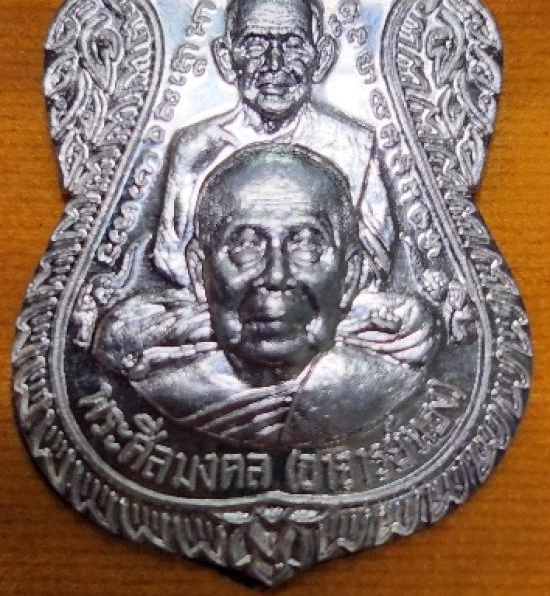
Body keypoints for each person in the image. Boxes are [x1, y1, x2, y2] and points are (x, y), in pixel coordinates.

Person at [93, 145, 435, 448]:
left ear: (349, 277)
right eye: (246, 245)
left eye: (306, 244)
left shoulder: (382, 388)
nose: (276, 275)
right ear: (200, 272)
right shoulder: (165, 391)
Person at [154, 0, 394, 292]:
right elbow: (171, 257)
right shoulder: (196, 148)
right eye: (255, 45)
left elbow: (373, 263)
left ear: (321, 58)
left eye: (293, 45)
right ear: (226, 59)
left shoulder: (353, 145)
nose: (274, 63)